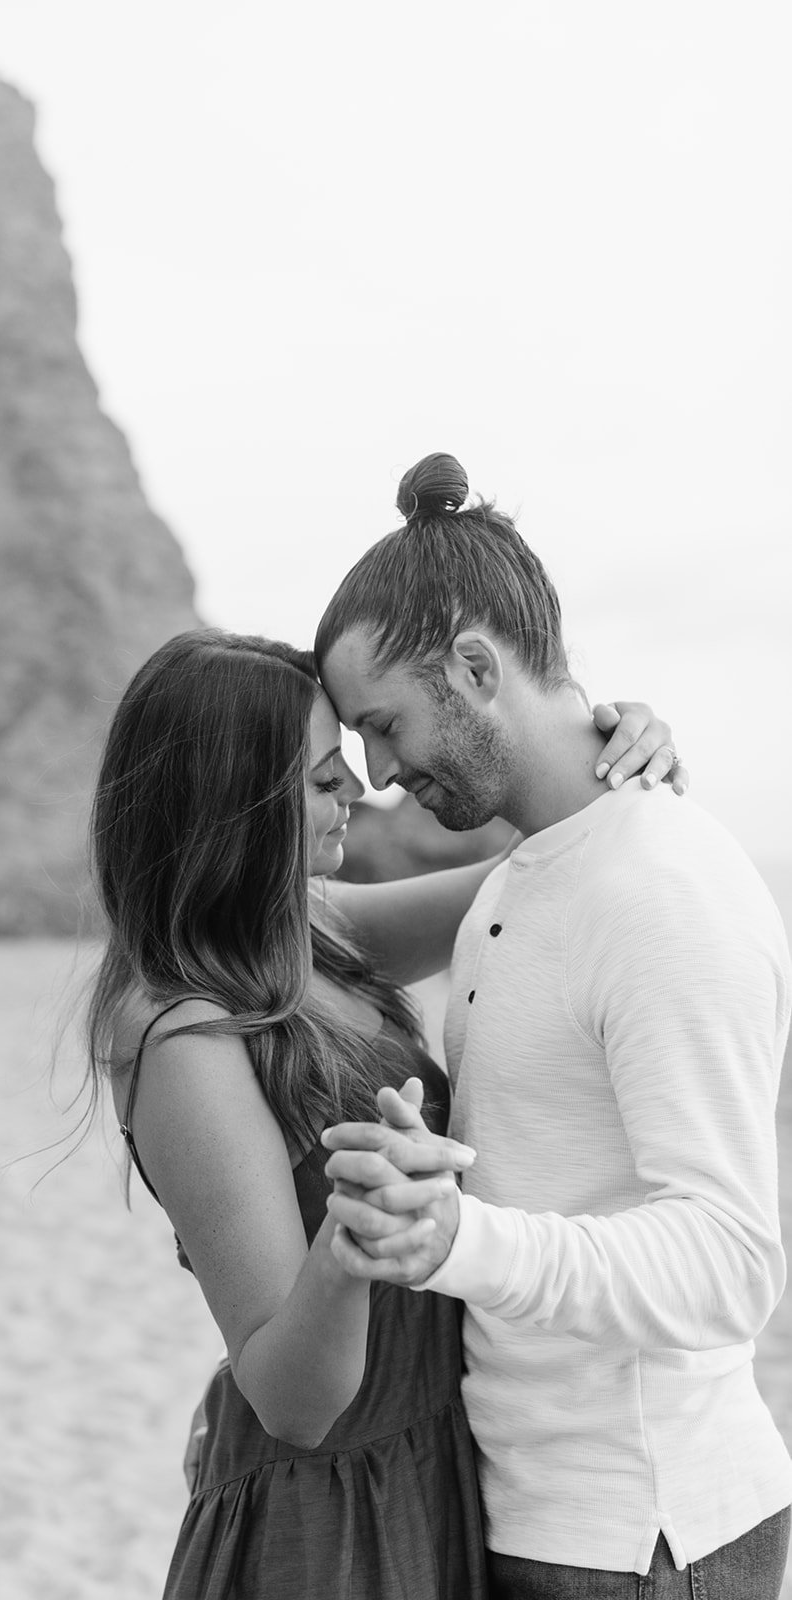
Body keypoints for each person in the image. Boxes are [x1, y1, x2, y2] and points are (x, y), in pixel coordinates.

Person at [81, 624, 685, 1599]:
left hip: (435, 1458)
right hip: (324, 1524)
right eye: (323, 777)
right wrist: (351, 1237)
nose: (357, 791)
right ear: (233, 803)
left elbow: (531, 872)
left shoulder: (303, 931)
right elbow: (290, 1400)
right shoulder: (180, 1038)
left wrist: (611, 758)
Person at [316, 452, 792, 1599]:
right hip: (544, 1519)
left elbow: (729, 1262)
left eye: (382, 725)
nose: (374, 774)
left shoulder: (659, 888)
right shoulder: (519, 878)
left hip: (649, 1538)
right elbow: (291, 925)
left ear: (475, 667)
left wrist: (457, 1241)